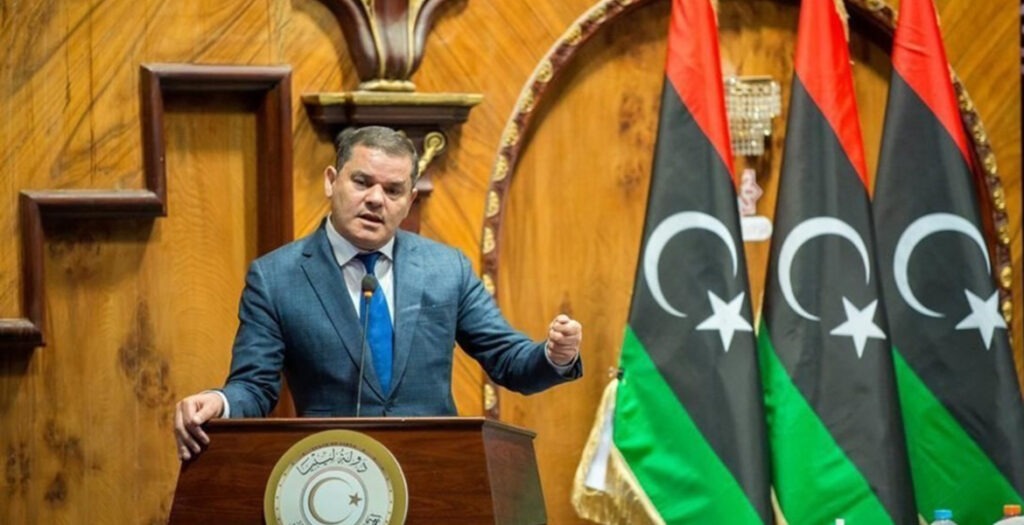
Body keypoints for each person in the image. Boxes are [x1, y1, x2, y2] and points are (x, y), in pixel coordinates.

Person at [173, 126, 583, 460]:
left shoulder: (446, 269)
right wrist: (218, 402)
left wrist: (554, 355)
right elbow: (255, 387)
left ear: (410, 200)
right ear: (332, 181)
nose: (375, 199)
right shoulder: (275, 277)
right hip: (332, 476)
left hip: (437, 474)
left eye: (392, 190)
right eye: (362, 182)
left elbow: (508, 360)